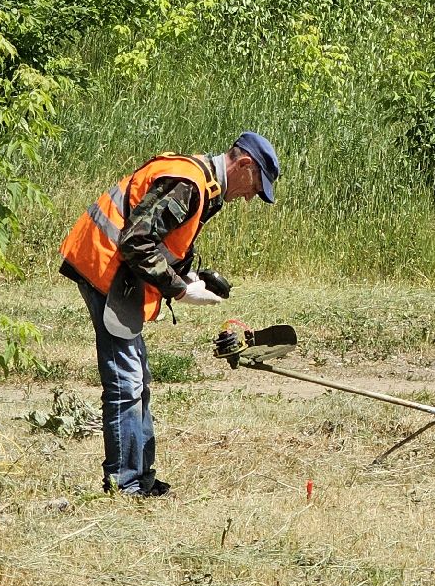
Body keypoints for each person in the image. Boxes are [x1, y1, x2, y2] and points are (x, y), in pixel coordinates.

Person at [58, 132, 280, 496]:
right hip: (103, 267)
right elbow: (136, 242)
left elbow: (159, 238)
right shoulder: (188, 184)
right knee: (126, 382)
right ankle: (125, 484)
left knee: (137, 378)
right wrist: (179, 289)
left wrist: (186, 275)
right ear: (243, 165)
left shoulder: (202, 185)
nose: (252, 196)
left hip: (117, 271)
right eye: (257, 185)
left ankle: (140, 477)